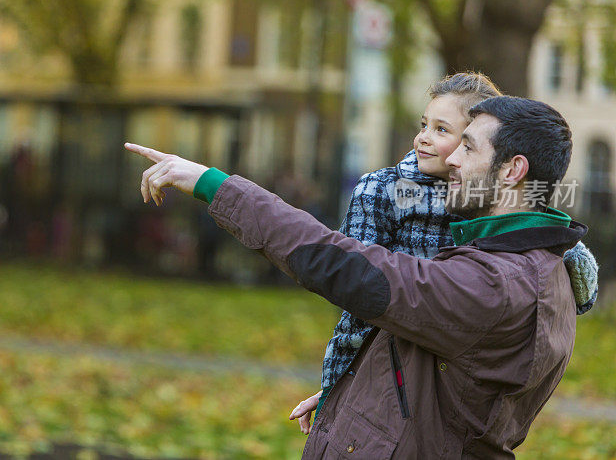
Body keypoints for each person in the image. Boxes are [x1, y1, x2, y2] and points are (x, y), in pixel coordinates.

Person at [124, 95, 592, 458]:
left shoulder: (494, 285)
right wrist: (355, 395)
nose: (450, 158)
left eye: (468, 146)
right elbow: (439, 373)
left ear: (513, 171)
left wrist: (213, 184)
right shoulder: (520, 262)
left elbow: (342, 265)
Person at [288, 74, 598, 435]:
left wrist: (574, 261)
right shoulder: (383, 189)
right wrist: (341, 384)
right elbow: (354, 285)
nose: (423, 138)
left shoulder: (482, 198)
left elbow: (542, 242)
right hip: (379, 347)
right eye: (424, 125)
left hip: (448, 375)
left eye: (442, 130)